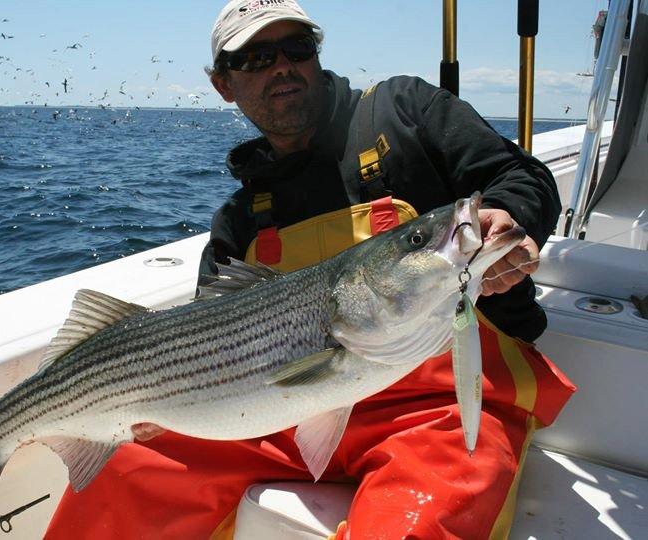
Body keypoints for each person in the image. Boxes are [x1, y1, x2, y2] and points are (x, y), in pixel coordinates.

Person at [45, 2, 575, 538]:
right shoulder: (237, 222)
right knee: (123, 473)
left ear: (317, 57)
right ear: (223, 84)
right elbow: (208, 351)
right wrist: (164, 403)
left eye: (296, 49)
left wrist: (510, 220)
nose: (281, 66)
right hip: (281, 415)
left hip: (443, 404)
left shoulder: (403, 110)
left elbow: (519, 174)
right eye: (254, 58)